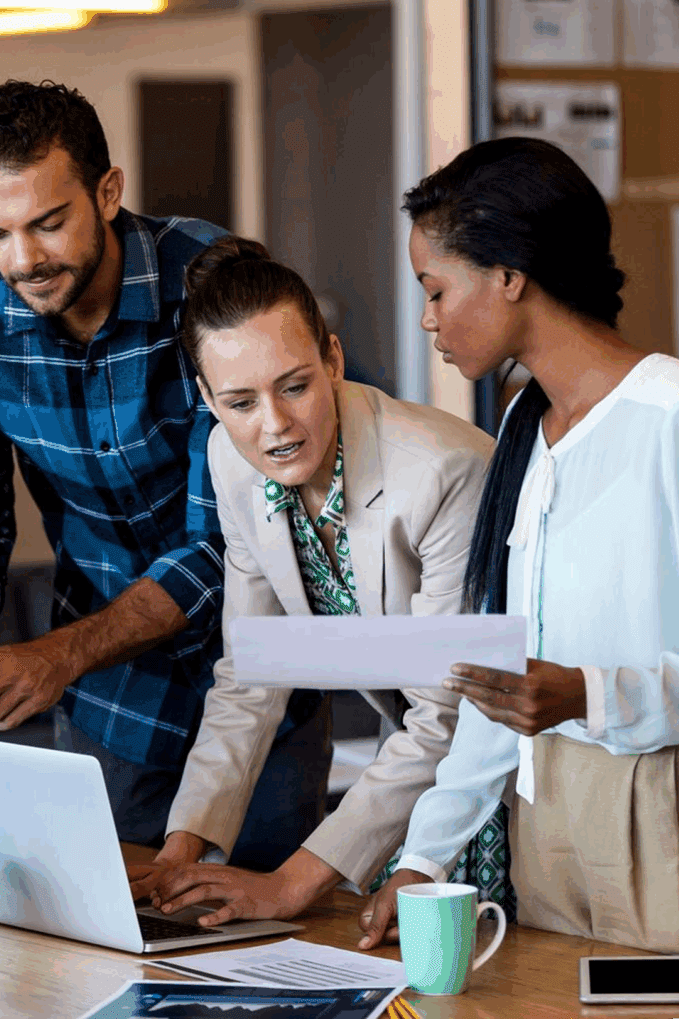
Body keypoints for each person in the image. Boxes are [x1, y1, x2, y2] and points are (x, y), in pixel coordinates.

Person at [0, 80, 331, 869]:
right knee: (100, 949)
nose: (24, 260)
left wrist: (59, 655)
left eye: (48, 223)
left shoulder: (213, 286)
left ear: (108, 192)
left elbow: (228, 538)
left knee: (280, 957)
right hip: (111, 706)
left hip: (261, 684)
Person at [355, 137, 679, 971]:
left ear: (508, 276)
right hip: (542, 811)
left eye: (436, 288)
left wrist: (588, 694)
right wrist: (422, 857)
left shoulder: (678, 417)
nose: (427, 318)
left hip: (667, 811)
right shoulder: (524, 425)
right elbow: (506, 685)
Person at [133, 236, 513, 921]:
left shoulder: (441, 471)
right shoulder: (231, 459)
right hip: (411, 773)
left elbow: (448, 708)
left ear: (332, 360)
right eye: (240, 401)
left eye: (295, 386)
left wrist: (287, 884)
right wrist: (177, 856)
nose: (274, 426)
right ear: (206, 399)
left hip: (495, 768)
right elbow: (251, 672)